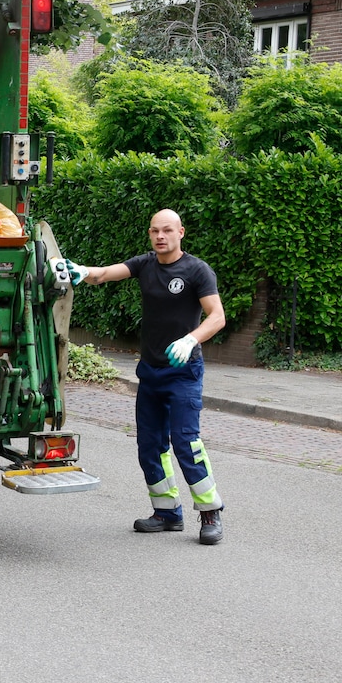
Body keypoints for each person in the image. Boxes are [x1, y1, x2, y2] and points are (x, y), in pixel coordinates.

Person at [55, 208, 228, 545]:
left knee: (186, 442)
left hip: (183, 373)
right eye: (154, 231)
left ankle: (210, 512)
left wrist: (191, 339)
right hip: (150, 372)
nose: (160, 236)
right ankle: (167, 512)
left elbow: (217, 316)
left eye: (167, 230)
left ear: (181, 232)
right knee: (149, 445)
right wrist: (82, 271)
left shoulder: (197, 271)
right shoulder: (145, 264)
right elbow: (105, 274)